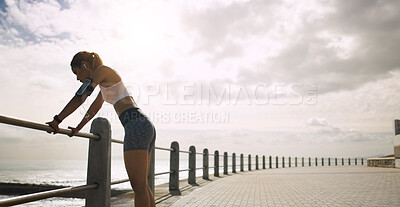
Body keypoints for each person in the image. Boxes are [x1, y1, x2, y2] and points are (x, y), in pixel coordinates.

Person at [46, 51, 156, 207]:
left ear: (84, 65)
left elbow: (81, 96)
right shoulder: (105, 83)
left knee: (139, 187)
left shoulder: (102, 70)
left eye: (77, 73)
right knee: (142, 186)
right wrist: (78, 127)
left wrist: (57, 120)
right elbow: (94, 108)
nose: (78, 78)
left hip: (136, 125)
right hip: (142, 124)